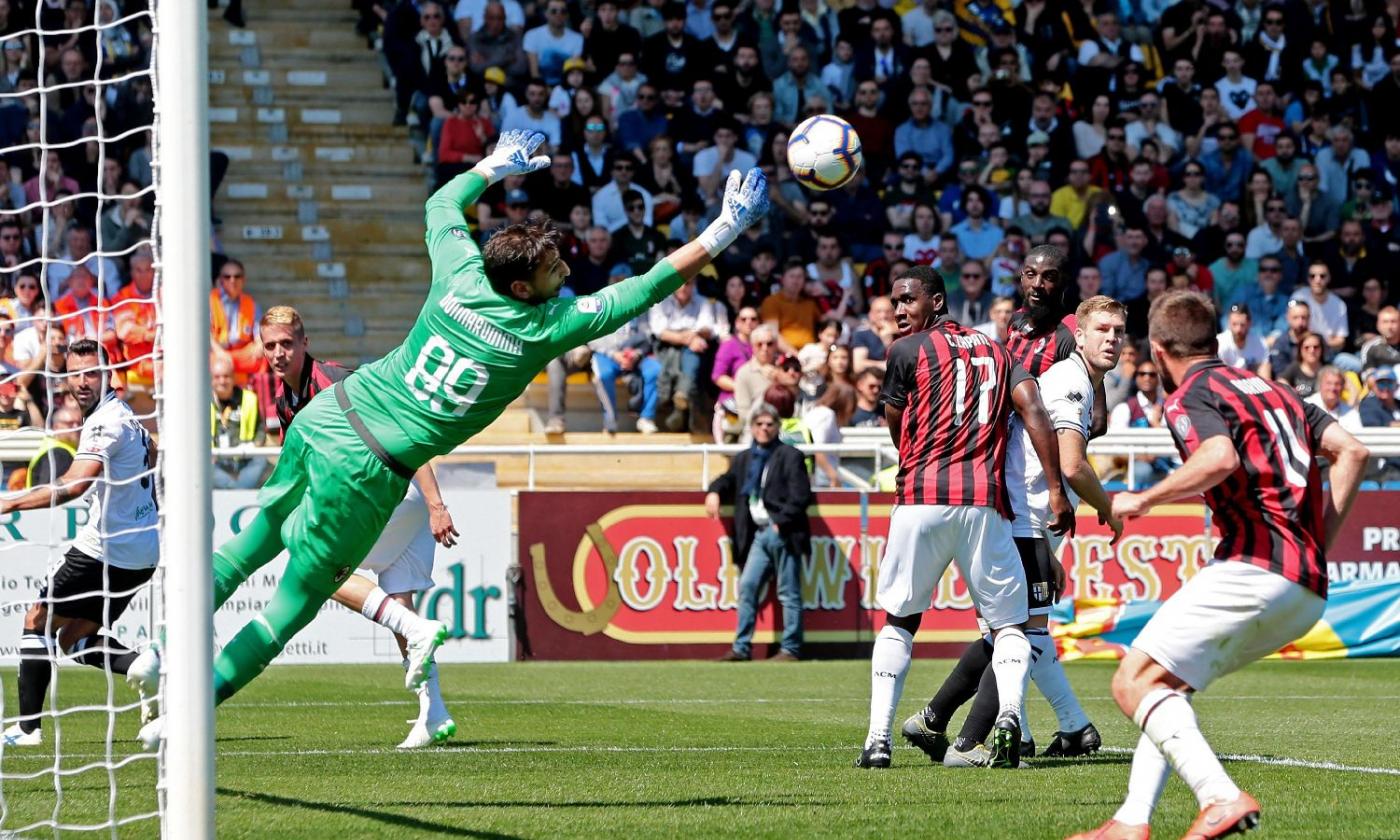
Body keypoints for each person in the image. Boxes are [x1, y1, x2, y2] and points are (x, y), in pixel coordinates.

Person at [139, 132, 771, 748]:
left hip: (329, 413)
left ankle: (160, 649)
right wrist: (722, 231)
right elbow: (644, 288)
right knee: (287, 609)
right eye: (555, 268)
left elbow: (439, 205)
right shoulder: (541, 328)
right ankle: (188, 715)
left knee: (251, 542)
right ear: (523, 289)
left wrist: (495, 164)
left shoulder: (459, 274)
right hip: (369, 470)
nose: (567, 270)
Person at [1071, 291, 1370, 840]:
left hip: (1255, 565)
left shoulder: (1192, 395)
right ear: (1213, 340)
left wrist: (1145, 497)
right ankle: (1131, 821)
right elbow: (1352, 451)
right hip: (1305, 586)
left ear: (1158, 352)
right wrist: (1318, 540)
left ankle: (1218, 797)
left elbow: (1219, 458)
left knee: (1131, 682)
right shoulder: (1280, 392)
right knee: (1167, 686)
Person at [856, 266, 1073, 770]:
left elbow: (895, 419)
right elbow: (1035, 410)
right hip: (984, 503)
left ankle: (877, 740)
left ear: (936, 301)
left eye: (908, 299)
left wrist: (918, 458)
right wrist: (1056, 487)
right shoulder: (997, 350)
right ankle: (1010, 718)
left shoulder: (906, 352)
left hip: (921, 499)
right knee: (1012, 625)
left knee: (900, 622)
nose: (899, 310)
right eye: (895, 302)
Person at [906, 295, 1128, 768]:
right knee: (1022, 633)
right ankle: (967, 743)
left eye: (1119, 331)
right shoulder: (1070, 381)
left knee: (1010, 630)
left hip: (1018, 514)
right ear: (1080, 336)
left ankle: (934, 718)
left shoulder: (1076, 380)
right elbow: (1072, 465)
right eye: (1102, 330)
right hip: (1022, 514)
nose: (1112, 338)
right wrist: (1111, 510)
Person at [1, 340, 160, 747]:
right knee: (71, 639)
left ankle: (28, 728)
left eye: (91, 372)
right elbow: (152, 455)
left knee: (37, 618)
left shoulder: (105, 421)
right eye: (75, 373)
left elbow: (75, 485)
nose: (82, 382)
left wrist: (10, 501)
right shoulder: (128, 418)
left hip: (105, 547)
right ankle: (141, 661)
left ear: (108, 374)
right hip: (143, 553)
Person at [708, 402, 812, 662]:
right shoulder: (745, 458)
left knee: (788, 592)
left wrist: (781, 522)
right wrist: (713, 490)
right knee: (748, 586)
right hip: (758, 533)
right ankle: (741, 647)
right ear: (752, 428)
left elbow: (801, 496)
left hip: (782, 531)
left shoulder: (790, 455)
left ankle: (790, 649)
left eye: (769, 424)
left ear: (777, 427)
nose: (764, 429)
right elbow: (728, 479)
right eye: (759, 424)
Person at [210, 355, 266, 490]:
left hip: (245, 458)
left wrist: (254, 446)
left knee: (262, 461)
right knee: (200, 466)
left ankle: (234, 491)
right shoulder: (203, 400)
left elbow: (261, 431)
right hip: (216, 460)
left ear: (233, 377)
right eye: (217, 377)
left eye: (226, 376)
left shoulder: (250, 398)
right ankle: (237, 491)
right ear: (211, 379)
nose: (222, 381)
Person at [1306, 366, 1363, 432]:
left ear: (1343, 387)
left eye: (1337, 384)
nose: (1333, 388)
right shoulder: (1308, 406)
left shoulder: (1351, 413)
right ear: (1320, 384)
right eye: (1329, 383)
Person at [1216, 303, 1268, 373]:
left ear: (1249, 323)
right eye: (1234, 324)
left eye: (1242, 325)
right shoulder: (1220, 343)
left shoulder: (1259, 343)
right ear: (1228, 323)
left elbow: (1265, 374)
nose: (1238, 329)